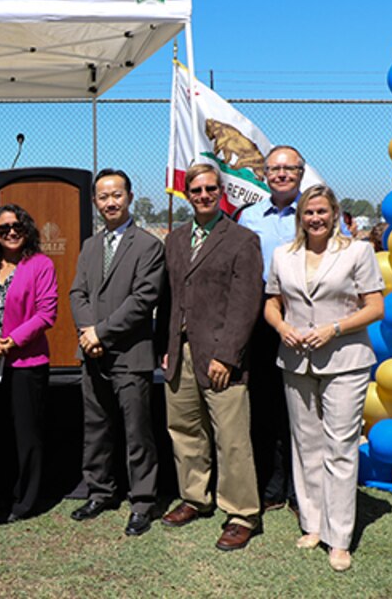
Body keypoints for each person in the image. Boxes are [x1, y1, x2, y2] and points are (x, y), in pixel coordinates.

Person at [263, 184, 384, 572]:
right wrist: (282, 328)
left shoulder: (357, 251)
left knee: (341, 447)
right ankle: (313, 523)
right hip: (296, 361)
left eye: (321, 212)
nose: (315, 218)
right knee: (307, 445)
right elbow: (272, 303)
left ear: (334, 214)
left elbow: (375, 307)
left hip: (345, 360)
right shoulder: (284, 255)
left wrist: (335, 328)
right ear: (300, 217)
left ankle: (339, 537)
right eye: (308, 213)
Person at [158, 163, 263, 551]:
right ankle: (195, 497)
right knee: (185, 431)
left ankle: (241, 513)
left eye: (210, 189)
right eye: (196, 190)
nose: (203, 195)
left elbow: (245, 303)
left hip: (220, 356)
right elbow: (168, 299)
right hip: (180, 352)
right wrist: (165, 349)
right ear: (187, 194)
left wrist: (228, 356)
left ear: (222, 191)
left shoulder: (242, 240)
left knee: (231, 439)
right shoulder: (176, 238)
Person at [68, 169, 164, 536]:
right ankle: (100, 491)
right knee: (96, 429)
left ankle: (142, 501)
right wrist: (88, 332)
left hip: (130, 355)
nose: (110, 202)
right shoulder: (91, 246)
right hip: (92, 355)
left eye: (116, 195)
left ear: (129, 197)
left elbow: (143, 301)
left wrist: (100, 332)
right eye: (103, 196)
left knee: (137, 432)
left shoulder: (149, 245)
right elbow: (77, 293)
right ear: (95, 201)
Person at [0, 204, 56, 523]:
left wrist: (10, 341)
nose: (11, 232)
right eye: (3, 229)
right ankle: (2, 493)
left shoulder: (40, 265)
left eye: (17, 226)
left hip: (27, 363)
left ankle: (25, 500)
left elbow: (46, 313)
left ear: (27, 229)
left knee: (26, 435)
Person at [238, 145, 307, 513]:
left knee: (301, 409)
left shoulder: (315, 213)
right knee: (265, 406)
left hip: (305, 321)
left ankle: (301, 490)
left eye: (289, 168)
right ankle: (272, 486)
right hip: (262, 321)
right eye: (274, 169)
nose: (281, 174)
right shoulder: (249, 217)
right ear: (264, 174)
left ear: (301, 172)